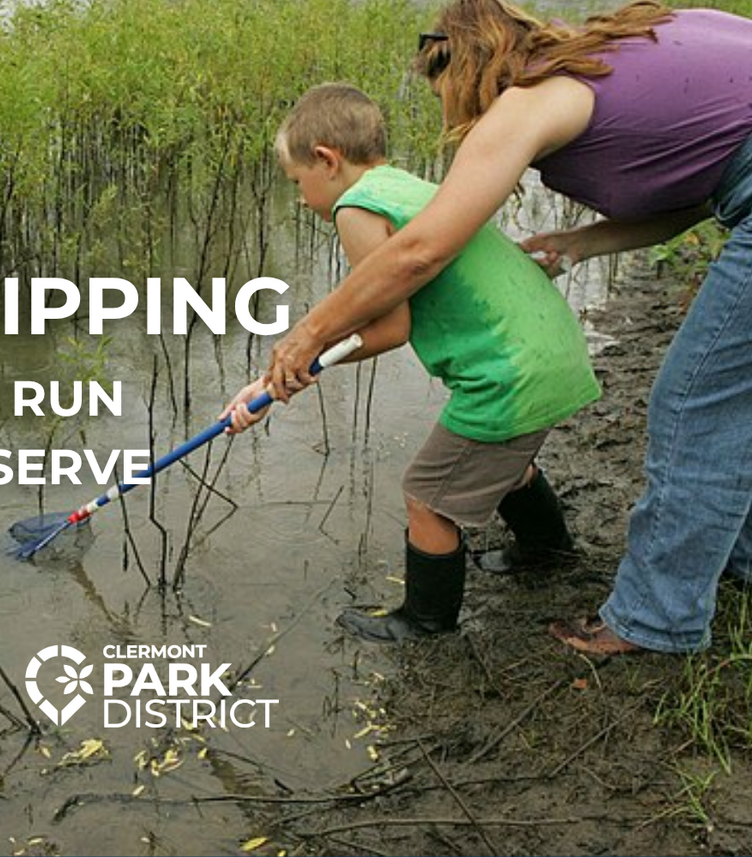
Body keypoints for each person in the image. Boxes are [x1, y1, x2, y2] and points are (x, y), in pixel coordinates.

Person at [264, 1, 752, 655]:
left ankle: (657, 619)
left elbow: (419, 252)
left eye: (443, 92)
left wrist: (308, 333)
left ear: (467, 67)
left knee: (695, 409)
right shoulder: (610, 53)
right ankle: (729, 558)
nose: (451, 118)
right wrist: (579, 243)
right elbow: (700, 187)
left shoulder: (529, 100)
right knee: (730, 407)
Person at [222, 83, 600, 642]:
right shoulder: (407, 186)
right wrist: (278, 373)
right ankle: (547, 555)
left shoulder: (357, 207)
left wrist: (290, 374)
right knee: (498, 462)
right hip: (550, 352)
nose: (301, 199)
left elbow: (390, 328)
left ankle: (425, 622)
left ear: (326, 159)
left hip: (507, 375)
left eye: (297, 183)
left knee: (428, 496)